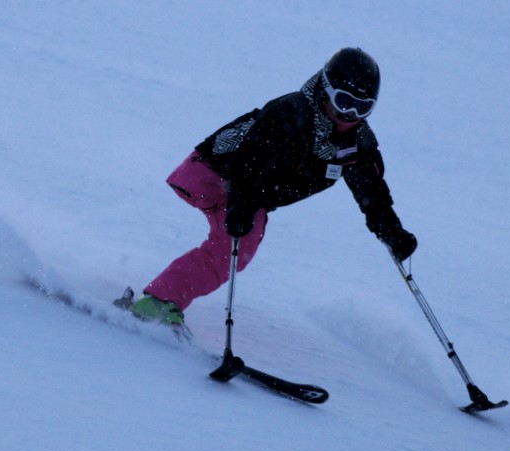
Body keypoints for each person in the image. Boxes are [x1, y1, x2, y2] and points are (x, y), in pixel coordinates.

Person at [128, 47, 417, 328]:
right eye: (344, 102)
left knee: (239, 245)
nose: (350, 114)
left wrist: (391, 232)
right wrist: (241, 206)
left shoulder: (357, 144)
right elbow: (249, 163)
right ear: (326, 90)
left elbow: (372, 193)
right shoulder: (290, 115)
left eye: (362, 107)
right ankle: (157, 302)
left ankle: (163, 297)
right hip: (215, 174)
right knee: (234, 248)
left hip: (250, 193)